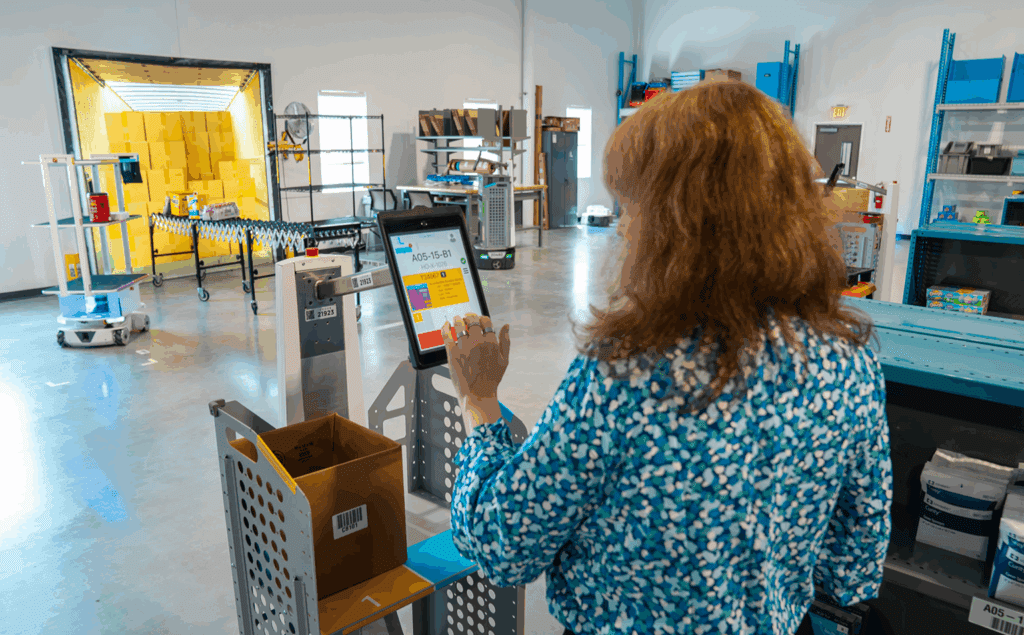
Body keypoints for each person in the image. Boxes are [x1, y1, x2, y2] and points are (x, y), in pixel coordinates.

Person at [441, 79, 893, 635]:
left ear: (675, 225)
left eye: (634, 208)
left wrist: (480, 403)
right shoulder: (849, 364)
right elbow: (854, 565)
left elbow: (501, 545)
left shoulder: (627, 373)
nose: (626, 228)